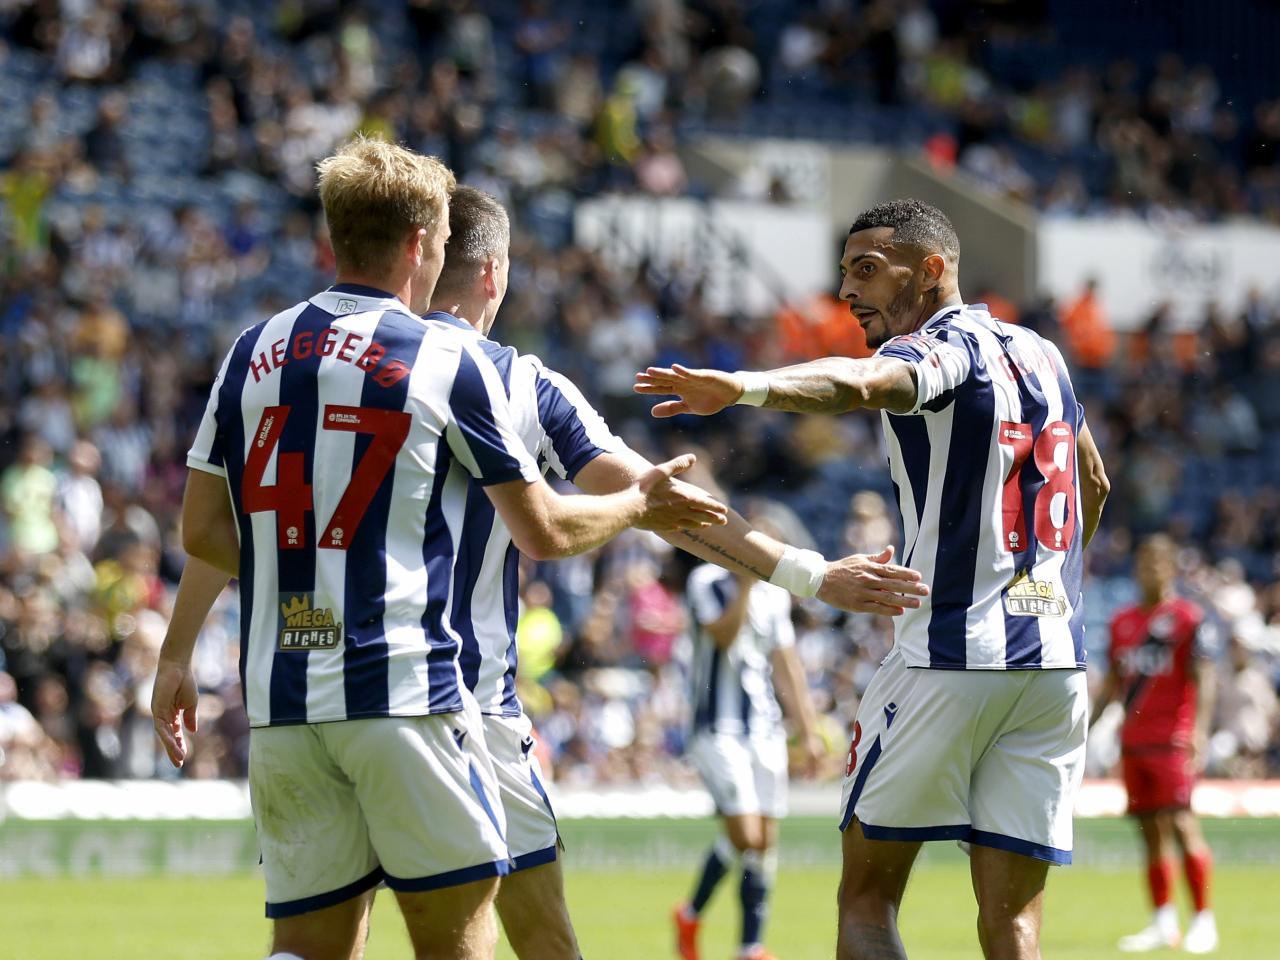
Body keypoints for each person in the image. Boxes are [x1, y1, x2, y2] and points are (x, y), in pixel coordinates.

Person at [156, 182, 928, 960]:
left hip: (297, 687)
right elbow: (661, 504)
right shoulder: (503, 378)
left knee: (322, 937)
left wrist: (178, 650)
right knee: (515, 936)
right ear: (495, 274)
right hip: (454, 699)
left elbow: (232, 527)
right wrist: (808, 574)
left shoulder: (299, 357)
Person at [635, 198, 1112, 960]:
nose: (849, 292)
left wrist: (745, 387)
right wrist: (1043, 577)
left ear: (932, 270)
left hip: (948, 657)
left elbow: (862, 385)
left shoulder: (943, 347)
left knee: (866, 898)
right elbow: (1093, 481)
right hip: (1055, 666)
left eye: (867, 270)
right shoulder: (1045, 355)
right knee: (1014, 923)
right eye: (844, 273)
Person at [675, 556, 823, 960]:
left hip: (765, 729)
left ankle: (749, 947)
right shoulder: (706, 581)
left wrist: (808, 732)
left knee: (764, 843)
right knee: (747, 837)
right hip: (716, 729)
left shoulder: (775, 596)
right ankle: (691, 915)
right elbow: (723, 635)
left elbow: (786, 665)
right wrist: (744, 586)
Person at [1090, 534, 1218, 954]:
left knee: (1182, 825)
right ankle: (1164, 922)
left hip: (1172, 740)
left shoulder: (1188, 618)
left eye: (1158, 564)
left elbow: (1204, 679)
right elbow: (1112, 682)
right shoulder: (1121, 621)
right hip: (1134, 741)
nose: (1150, 571)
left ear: (1171, 570)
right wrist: (1089, 725)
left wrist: (1198, 731)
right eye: (1144, 563)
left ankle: (1204, 920)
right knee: (1149, 833)